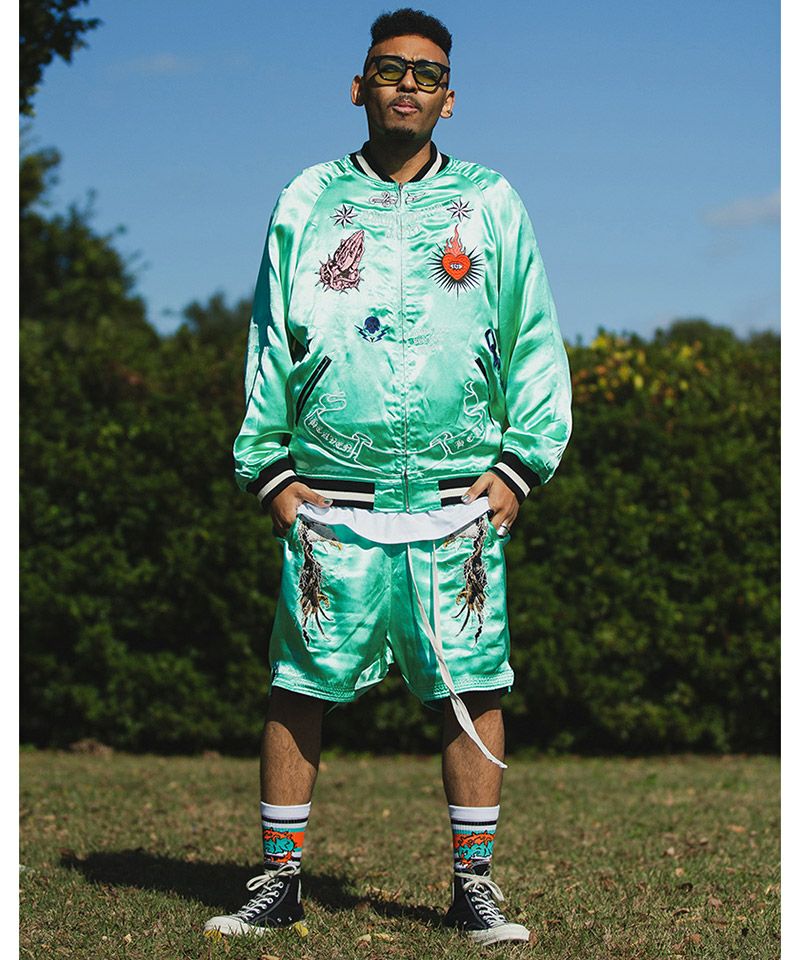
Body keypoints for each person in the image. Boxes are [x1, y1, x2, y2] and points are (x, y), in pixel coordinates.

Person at [204, 6, 572, 948]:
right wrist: (270, 468)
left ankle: (473, 888)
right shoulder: (307, 199)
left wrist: (522, 463)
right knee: (299, 683)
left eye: (426, 73)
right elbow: (268, 337)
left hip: (458, 500)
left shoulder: (491, 202)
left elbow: (533, 336)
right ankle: (280, 880)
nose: (407, 84)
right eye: (389, 68)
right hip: (333, 500)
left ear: (450, 99)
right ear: (358, 86)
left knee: (473, 686)